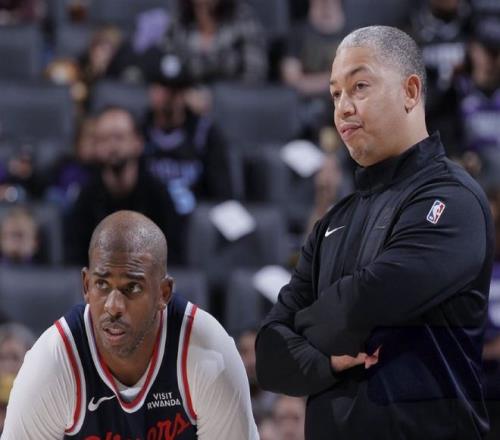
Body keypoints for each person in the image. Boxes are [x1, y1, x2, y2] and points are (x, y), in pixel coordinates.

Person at [255, 25, 494, 439]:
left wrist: (302, 328)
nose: (343, 108)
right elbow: (270, 357)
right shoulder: (332, 221)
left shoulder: (453, 200)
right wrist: (326, 362)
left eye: (359, 86)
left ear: (410, 91)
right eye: (335, 94)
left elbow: (364, 304)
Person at [2, 210, 258, 439]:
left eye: (132, 287)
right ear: (86, 286)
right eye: (102, 285)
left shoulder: (209, 353)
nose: (113, 306)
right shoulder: (53, 361)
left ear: (164, 293)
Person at [65, 106, 183, 265]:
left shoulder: (158, 196)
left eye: (119, 137)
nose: (112, 146)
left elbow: (174, 258)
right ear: (96, 147)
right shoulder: (85, 198)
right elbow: (74, 262)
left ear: (138, 142)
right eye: (104, 139)